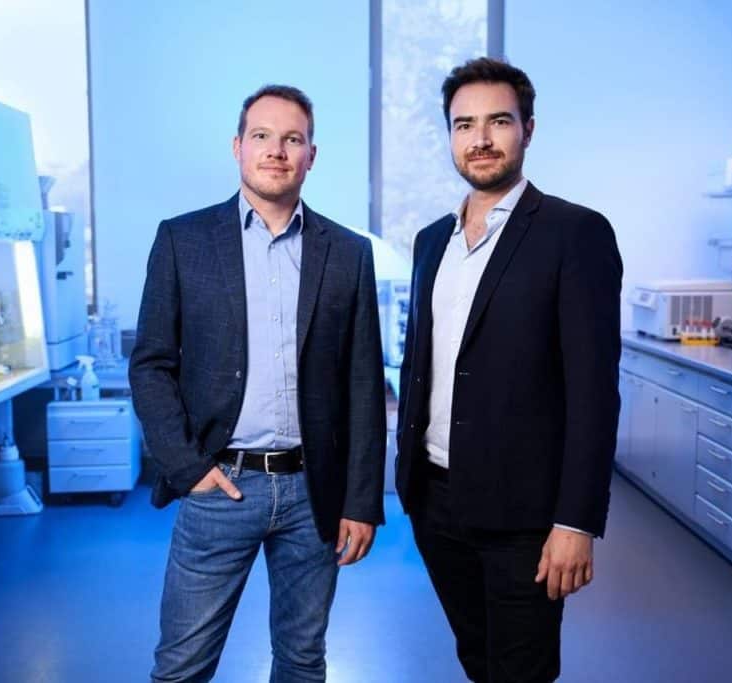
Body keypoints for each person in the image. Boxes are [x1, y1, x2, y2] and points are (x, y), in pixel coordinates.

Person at [129, 84, 386, 683]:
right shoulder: (183, 240)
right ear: (238, 146)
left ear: (311, 155)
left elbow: (363, 383)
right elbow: (151, 363)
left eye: (292, 139)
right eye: (262, 136)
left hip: (313, 493)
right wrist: (187, 468)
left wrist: (361, 501)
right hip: (221, 485)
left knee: (302, 660)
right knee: (181, 666)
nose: (276, 150)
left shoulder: (348, 253)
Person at [395, 57, 623, 683]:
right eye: (463, 124)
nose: (481, 139)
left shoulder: (574, 233)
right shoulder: (431, 241)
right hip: (435, 500)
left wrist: (576, 521)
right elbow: (422, 363)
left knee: (521, 670)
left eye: (498, 121)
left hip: (526, 513)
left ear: (528, 129)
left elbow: (594, 393)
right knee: (477, 657)